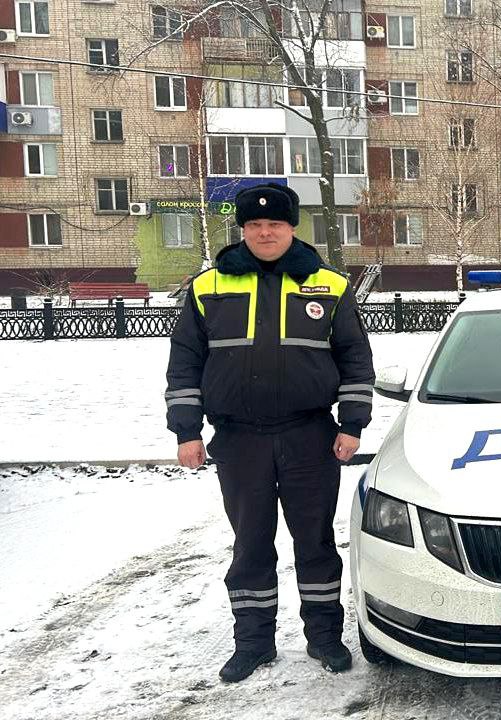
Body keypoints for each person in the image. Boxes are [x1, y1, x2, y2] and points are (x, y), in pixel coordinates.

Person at [164, 183, 375, 682]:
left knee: (316, 543)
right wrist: (186, 432)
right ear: (242, 230)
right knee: (251, 545)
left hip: (310, 437)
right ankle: (253, 643)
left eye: (274, 224)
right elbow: (185, 365)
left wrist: (352, 425)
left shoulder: (330, 286)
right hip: (240, 441)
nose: (264, 232)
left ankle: (324, 638)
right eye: (255, 225)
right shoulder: (207, 287)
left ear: (291, 228)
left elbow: (355, 360)